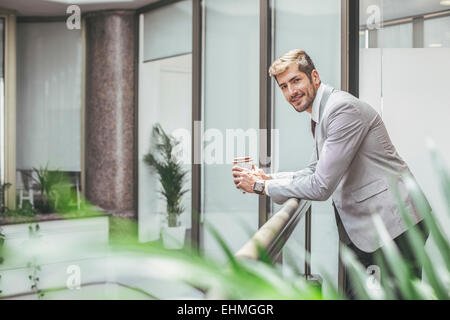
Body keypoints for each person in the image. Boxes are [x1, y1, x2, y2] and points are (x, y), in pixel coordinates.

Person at [232, 49, 430, 299]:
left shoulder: (341, 110)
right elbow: (315, 169)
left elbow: (321, 185)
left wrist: (261, 188)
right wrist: (268, 179)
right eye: (284, 86)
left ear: (314, 76)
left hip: (392, 227)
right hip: (371, 230)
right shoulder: (322, 113)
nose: (291, 92)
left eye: (296, 81)